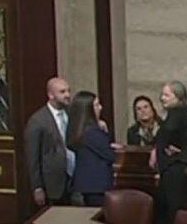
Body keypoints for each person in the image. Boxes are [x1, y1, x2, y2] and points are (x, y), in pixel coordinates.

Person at [152, 80, 187, 224]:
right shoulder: (175, 113)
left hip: (176, 168)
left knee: (172, 211)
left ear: (178, 97)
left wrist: (163, 145)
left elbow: (168, 132)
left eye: (166, 95)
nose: (162, 98)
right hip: (171, 167)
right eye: (162, 94)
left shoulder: (179, 112)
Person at [66, 91, 123, 206]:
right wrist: (104, 133)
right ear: (88, 109)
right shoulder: (93, 132)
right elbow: (110, 155)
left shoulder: (78, 130)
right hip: (97, 186)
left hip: (86, 185)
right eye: (97, 105)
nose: (100, 108)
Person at [24, 77, 74, 207]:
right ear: (51, 95)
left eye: (68, 91)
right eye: (62, 92)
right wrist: (37, 187)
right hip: (52, 184)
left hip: (74, 180)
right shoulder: (38, 121)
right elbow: (33, 157)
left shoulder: (72, 114)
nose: (67, 95)